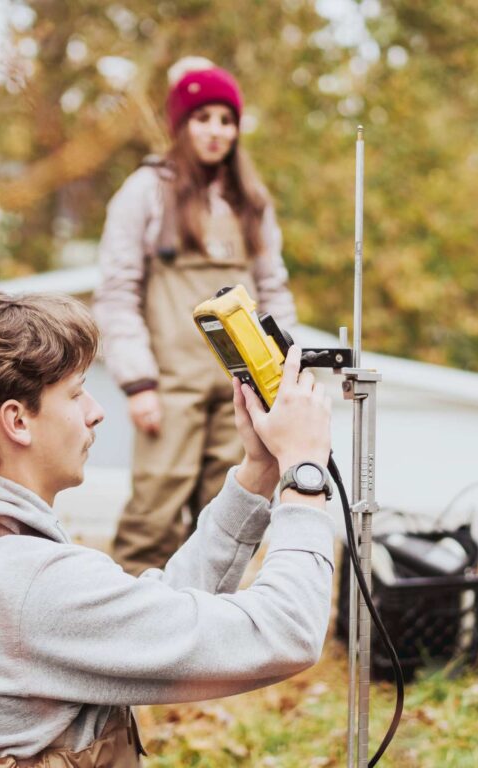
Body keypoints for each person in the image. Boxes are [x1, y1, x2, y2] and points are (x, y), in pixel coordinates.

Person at [0, 292, 334, 763]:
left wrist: (258, 472)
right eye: (76, 394)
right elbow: (285, 632)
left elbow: (147, 621)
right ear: (17, 421)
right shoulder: (28, 582)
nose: (96, 412)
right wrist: (303, 474)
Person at [93, 57, 297, 575]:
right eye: (202, 118)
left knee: (229, 514)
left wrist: (282, 374)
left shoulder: (250, 199)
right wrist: (138, 382)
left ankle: (211, 643)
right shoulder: (145, 192)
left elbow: (273, 290)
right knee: (153, 515)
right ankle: (127, 641)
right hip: (168, 387)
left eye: (226, 120)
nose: (216, 131)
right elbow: (117, 292)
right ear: (180, 124)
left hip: (241, 387)